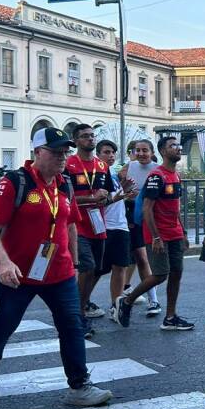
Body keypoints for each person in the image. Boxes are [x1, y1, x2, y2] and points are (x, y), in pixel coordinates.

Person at [0, 128, 112, 406]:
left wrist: (73, 259)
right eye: (56, 152)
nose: (62, 157)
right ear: (37, 152)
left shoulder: (64, 183)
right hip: (19, 273)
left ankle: (79, 386)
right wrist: (4, 262)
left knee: (72, 325)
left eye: (65, 152)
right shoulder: (15, 183)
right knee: (6, 323)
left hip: (60, 272)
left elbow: (69, 221)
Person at [113, 136, 190, 330]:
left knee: (177, 273)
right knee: (160, 274)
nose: (178, 149)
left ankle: (171, 317)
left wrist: (184, 233)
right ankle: (127, 301)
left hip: (175, 234)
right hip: (159, 235)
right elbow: (147, 209)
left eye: (178, 145)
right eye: (173, 146)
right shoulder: (157, 176)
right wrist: (156, 237)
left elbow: (176, 208)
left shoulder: (176, 175)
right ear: (163, 151)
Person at [64, 123, 112, 337]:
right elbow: (63, 197)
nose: (90, 139)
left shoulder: (102, 165)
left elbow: (109, 194)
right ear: (75, 141)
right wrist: (90, 198)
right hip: (77, 225)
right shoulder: (68, 165)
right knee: (88, 267)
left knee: (99, 269)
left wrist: (110, 197)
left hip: (98, 225)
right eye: (85, 136)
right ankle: (78, 314)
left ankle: (76, 306)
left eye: (92, 136)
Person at [92, 140, 135, 319]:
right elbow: (99, 202)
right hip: (105, 226)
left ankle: (115, 305)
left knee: (121, 267)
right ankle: (83, 301)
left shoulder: (115, 175)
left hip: (121, 225)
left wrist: (124, 194)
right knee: (97, 270)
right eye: (106, 152)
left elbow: (117, 199)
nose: (110, 156)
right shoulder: (97, 174)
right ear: (98, 154)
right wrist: (120, 197)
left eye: (113, 153)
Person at [121, 139, 161, 319]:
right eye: (138, 150)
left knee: (145, 258)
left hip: (151, 217)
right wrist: (128, 194)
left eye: (145, 150)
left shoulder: (158, 169)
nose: (142, 153)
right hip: (131, 216)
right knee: (135, 257)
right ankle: (124, 294)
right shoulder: (128, 167)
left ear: (152, 152)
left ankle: (153, 300)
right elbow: (120, 191)